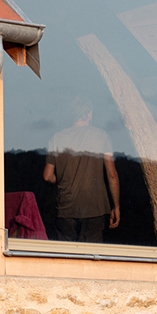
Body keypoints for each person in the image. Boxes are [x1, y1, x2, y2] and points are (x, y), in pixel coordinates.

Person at [43, 99, 120, 242]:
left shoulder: (56, 138)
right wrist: (116, 206)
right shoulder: (101, 135)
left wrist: (62, 177)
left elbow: (47, 176)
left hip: (65, 209)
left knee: (66, 257)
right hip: (94, 209)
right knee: (91, 257)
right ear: (89, 114)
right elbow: (112, 175)